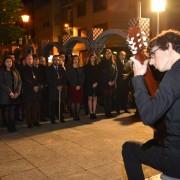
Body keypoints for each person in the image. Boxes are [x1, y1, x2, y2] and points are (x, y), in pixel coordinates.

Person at [122, 29, 180, 179]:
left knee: (129, 149)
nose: (151, 61)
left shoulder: (175, 74)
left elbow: (148, 116)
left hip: (175, 161)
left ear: (168, 47)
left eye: (153, 54)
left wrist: (137, 78)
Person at [0, 56, 22, 132]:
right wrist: (10, 92)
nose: (9, 63)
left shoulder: (15, 71)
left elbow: (20, 82)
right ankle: (9, 126)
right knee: (7, 111)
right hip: (5, 94)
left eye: (10, 61)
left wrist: (17, 92)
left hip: (15, 94)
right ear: (4, 63)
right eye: (7, 61)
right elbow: (1, 83)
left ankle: (13, 126)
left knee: (12, 110)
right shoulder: (2, 71)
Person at [84, 53, 99, 119]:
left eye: (94, 57)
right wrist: (91, 84)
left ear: (95, 58)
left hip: (96, 84)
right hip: (89, 84)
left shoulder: (97, 66)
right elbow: (86, 77)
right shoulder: (86, 66)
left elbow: (99, 76)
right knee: (90, 98)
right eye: (92, 57)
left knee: (95, 98)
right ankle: (91, 113)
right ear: (90, 58)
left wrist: (96, 82)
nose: (93, 58)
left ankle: (94, 112)